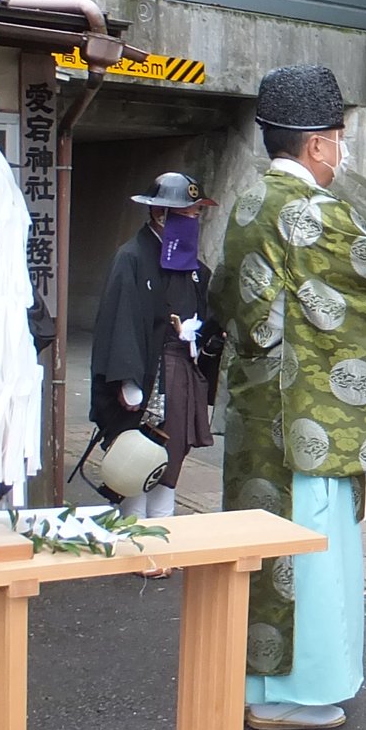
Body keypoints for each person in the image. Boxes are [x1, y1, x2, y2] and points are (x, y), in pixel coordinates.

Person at [213, 64, 366, 730]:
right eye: (339, 139)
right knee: (307, 555)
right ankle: (295, 694)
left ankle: (256, 683)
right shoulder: (307, 211)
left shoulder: (252, 201)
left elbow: (294, 290)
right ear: (318, 144)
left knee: (264, 552)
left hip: (258, 410)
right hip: (304, 420)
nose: (340, 152)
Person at [90, 172, 222, 547]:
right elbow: (121, 319)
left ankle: (162, 537)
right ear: (162, 213)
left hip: (182, 367)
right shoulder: (131, 258)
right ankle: (134, 539)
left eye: (198, 213)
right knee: (138, 454)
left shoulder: (194, 267)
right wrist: (127, 380)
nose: (194, 219)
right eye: (190, 212)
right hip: (147, 373)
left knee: (172, 454)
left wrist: (205, 336)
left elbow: (207, 316)